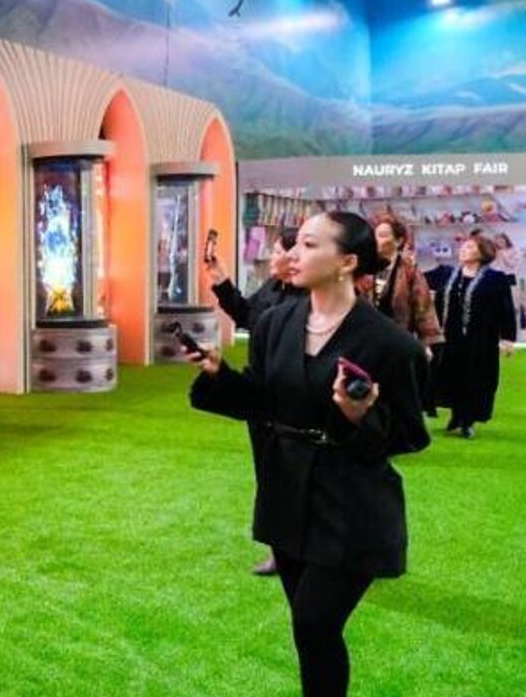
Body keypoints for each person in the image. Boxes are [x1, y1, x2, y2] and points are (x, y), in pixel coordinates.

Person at [186, 212, 429, 697]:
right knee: (308, 629)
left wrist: (357, 416)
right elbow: (260, 398)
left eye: (310, 245)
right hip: (286, 495)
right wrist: (219, 375)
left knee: (316, 621)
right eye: (295, 243)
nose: (292, 255)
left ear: (347, 262)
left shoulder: (390, 343)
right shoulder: (275, 323)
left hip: (352, 504)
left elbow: (408, 435)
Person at [205, 226, 305, 578]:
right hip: (260, 398)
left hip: (293, 402)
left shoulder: (311, 298)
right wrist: (221, 280)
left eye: (277, 251)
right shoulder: (273, 288)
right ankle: (281, 550)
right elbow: (247, 315)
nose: (271, 256)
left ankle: (315, 551)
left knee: (300, 480)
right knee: (268, 476)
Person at [435, 235, 516, 438]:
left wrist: (507, 338)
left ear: (483, 252)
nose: (464, 250)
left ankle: (468, 420)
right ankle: (456, 414)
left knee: (476, 378)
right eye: (463, 246)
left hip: (481, 339)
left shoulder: (495, 279)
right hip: (451, 337)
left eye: (470, 247)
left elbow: (506, 309)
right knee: (452, 375)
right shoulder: (449, 275)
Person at [360, 216, 442, 415]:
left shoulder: (409, 270)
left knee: (395, 386)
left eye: (383, 235)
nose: (377, 239)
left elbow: (422, 305)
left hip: (397, 336)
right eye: (375, 235)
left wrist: (426, 341)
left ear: (398, 240)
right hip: (365, 337)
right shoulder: (363, 267)